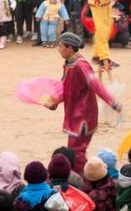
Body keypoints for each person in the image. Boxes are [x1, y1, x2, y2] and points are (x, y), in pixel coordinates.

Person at [45, 32, 120, 173]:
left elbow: (95, 83)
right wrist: (54, 102)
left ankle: (86, 179)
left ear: (69, 48)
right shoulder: (69, 63)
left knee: (76, 152)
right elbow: (65, 87)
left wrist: (111, 101)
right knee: (75, 151)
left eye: (60, 46)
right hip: (75, 113)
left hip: (83, 116)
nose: (58, 49)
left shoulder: (81, 65)